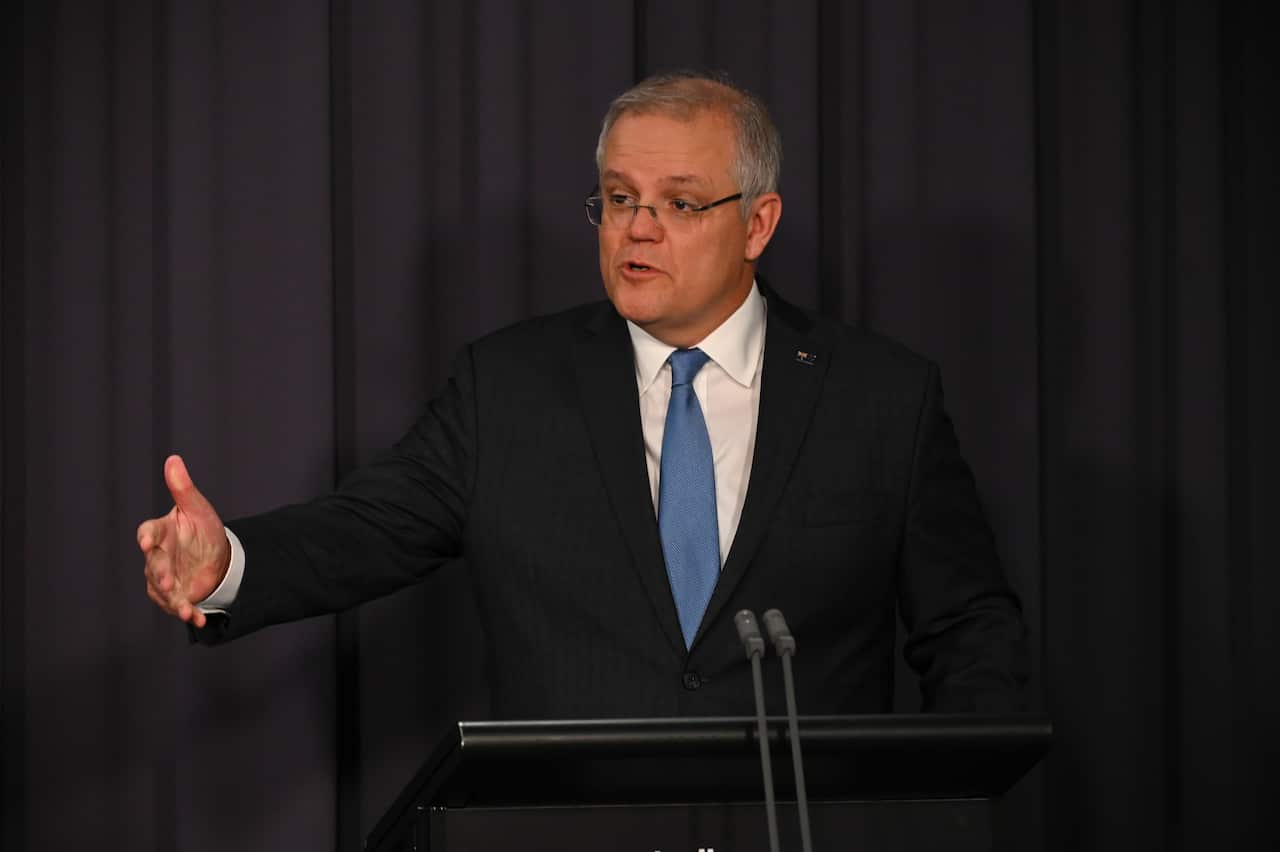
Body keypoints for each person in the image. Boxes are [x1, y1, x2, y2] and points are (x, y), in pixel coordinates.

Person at [139, 73, 1028, 718]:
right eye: (618, 198)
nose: (638, 228)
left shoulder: (880, 396)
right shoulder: (508, 388)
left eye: (679, 204)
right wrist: (227, 567)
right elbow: (364, 530)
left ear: (758, 223)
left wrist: (951, 802)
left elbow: (968, 625)